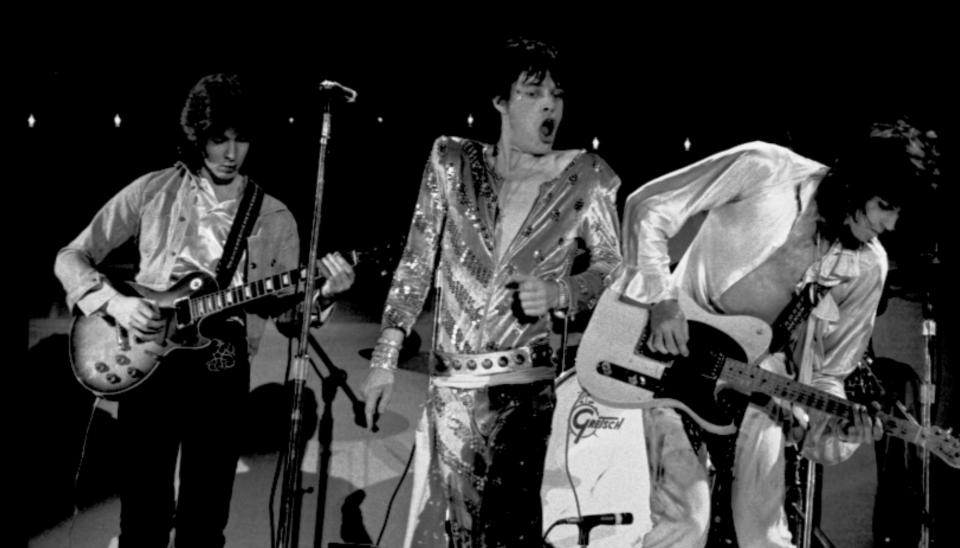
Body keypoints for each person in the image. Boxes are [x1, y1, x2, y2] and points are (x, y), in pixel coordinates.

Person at [53, 73, 355, 548]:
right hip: (147, 354)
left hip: (222, 365)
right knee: (142, 516)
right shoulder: (154, 189)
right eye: (219, 140)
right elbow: (71, 256)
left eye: (240, 140)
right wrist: (118, 303)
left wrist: (325, 295)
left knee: (205, 518)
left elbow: (288, 317)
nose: (231, 154)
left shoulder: (274, 216)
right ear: (198, 137)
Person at [610, 118, 937, 548]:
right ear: (857, 180)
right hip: (670, 359)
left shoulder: (866, 267)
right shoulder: (766, 168)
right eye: (884, 205)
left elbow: (828, 376)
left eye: (899, 212)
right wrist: (662, 300)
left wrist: (842, 428)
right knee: (685, 523)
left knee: (765, 536)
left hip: (759, 384)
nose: (890, 225)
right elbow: (648, 205)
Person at [360, 37, 622, 547]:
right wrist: (385, 359)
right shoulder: (451, 161)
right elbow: (417, 263)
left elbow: (616, 270)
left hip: (524, 393)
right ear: (500, 102)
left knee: (510, 535)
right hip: (452, 391)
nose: (550, 104)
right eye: (533, 92)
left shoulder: (586, 176)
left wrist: (562, 291)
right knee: (452, 534)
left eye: (557, 93)